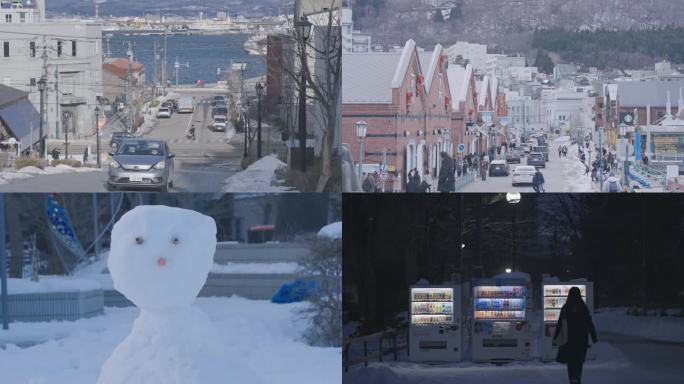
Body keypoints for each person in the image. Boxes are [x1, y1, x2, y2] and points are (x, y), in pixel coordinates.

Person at [554, 287, 598, 384]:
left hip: (569, 341)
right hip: (582, 341)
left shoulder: (565, 308)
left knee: (571, 362)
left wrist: (555, 338)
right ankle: (578, 378)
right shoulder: (583, 307)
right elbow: (589, 323)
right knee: (579, 361)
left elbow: (560, 324)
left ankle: (572, 379)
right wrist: (594, 337)